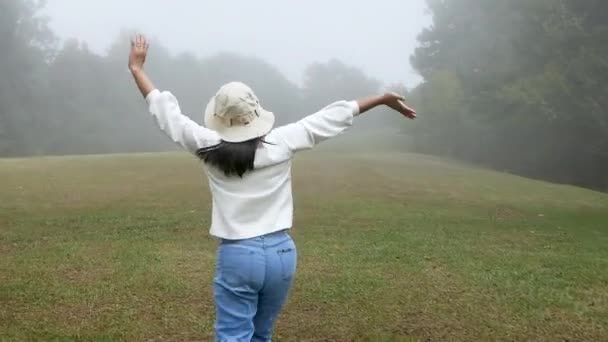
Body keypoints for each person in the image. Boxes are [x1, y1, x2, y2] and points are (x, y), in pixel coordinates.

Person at [128, 34, 416, 342]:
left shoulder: (207, 146)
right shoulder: (282, 141)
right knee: (261, 335)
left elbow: (166, 113)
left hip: (239, 254)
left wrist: (137, 68)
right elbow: (332, 117)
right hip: (282, 253)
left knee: (233, 336)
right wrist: (382, 99)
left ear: (220, 118)